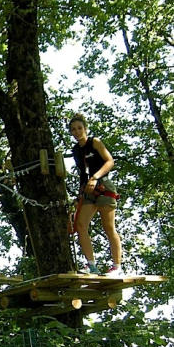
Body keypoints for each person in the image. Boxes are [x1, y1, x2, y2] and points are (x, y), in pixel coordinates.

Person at [69, 113, 122, 276]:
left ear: (85, 129)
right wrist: (79, 195)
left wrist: (95, 178)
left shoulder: (95, 142)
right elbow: (81, 173)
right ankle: (91, 265)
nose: (77, 132)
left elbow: (110, 161)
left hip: (103, 186)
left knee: (108, 227)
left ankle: (117, 267)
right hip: (87, 190)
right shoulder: (76, 150)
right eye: (73, 130)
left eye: (79, 128)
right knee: (80, 225)